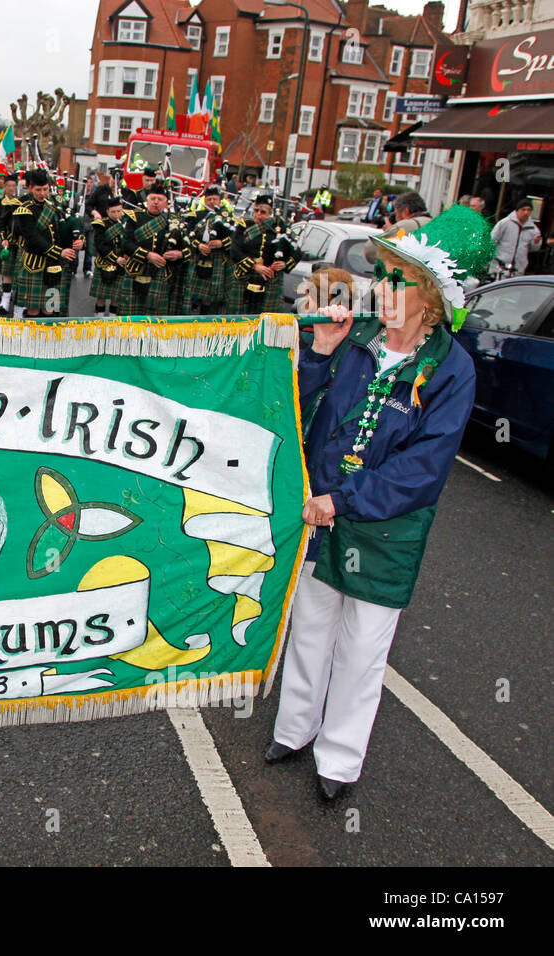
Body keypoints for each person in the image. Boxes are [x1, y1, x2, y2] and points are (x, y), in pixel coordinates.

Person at [267, 203, 492, 801]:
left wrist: (343, 500)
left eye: (398, 279)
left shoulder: (451, 368)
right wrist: (318, 351)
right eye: (383, 274)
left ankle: (337, 762)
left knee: (363, 647)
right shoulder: (356, 337)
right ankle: (294, 730)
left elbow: (424, 467)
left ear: (432, 299)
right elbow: (298, 409)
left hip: (383, 530)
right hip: (319, 513)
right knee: (309, 629)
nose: (382, 287)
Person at [11, 168, 82, 318]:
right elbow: (33, 239)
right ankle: (31, 342)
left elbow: (68, 224)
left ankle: (47, 341)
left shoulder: (54, 206)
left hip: (53, 266)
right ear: (30, 188)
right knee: (34, 310)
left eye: (45, 189)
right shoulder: (24, 210)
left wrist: (79, 238)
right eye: (38, 190)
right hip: (34, 266)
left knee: (50, 309)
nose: (42, 193)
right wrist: (59, 252)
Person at [119, 181, 181, 317]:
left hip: (160, 273)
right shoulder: (135, 217)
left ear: (166, 203)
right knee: (131, 319)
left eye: (160, 199)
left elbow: (185, 247)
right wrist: (147, 255)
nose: (156, 202)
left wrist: (179, 254)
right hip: (135, 269)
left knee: (156, 320)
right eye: (152, 199)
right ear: (147, 201)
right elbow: (125, 243)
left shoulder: (174, 220)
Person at [230, 193, 296, 314]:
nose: (258, 214)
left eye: (263, 212)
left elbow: (296, 252)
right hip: (244, 276)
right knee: (239, 320)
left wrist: (284, 264)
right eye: (256, 210)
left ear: (270, 214)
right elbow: (234, 250)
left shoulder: (279, 227)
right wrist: (254, 266)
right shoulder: (244, 225)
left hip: (270, 281)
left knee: (266, 321)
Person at [185, 184, 235, 315]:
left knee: (213, 299)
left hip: (218, 261)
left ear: (220, 200)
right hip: (198, 259)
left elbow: (235, 238)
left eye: (215, 199)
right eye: (209, 199)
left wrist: (222, 243)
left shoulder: (228, 217)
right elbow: (187, 235)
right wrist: (198, 245)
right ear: (204, 200)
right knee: (194, 297)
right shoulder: (196, 215)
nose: (212, 202)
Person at [362, 191, 432, 264]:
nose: (395, 218)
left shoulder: (404, 226)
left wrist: (390, 230)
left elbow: (370, 251)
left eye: (396, 213)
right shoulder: (433, 223)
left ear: (406, 211)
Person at [89, 193, 128, 316]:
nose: (117, 214)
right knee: (101, 297)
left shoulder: (126, 224)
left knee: (116, 298)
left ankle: (112, 322)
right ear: (107, 211)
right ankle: (99, 322)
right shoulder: (101, 224)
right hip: (104, 263)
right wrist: (115, 259)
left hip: (121, 264)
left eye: (119, 211)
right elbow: (100, 245)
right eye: (113, 211)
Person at [0, 174, 22, 316]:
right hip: (5, 240)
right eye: (8, 186)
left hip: (20, 243)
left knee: (18, 273)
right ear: (4, 187)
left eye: (13, 186)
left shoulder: (20, 202)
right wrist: (2, 235)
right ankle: (5, 300)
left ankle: (18, 302)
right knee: (5, 270)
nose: (11, 188)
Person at [489, 198, 545, 278]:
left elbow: (534, 249)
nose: (526, 212)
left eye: (529, 210)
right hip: (500, 267)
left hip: (518, 269)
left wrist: (536, 242)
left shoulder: (533, 229)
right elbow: (492, 240)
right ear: (517, 210)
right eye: (523, 209)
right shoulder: (505, 223)